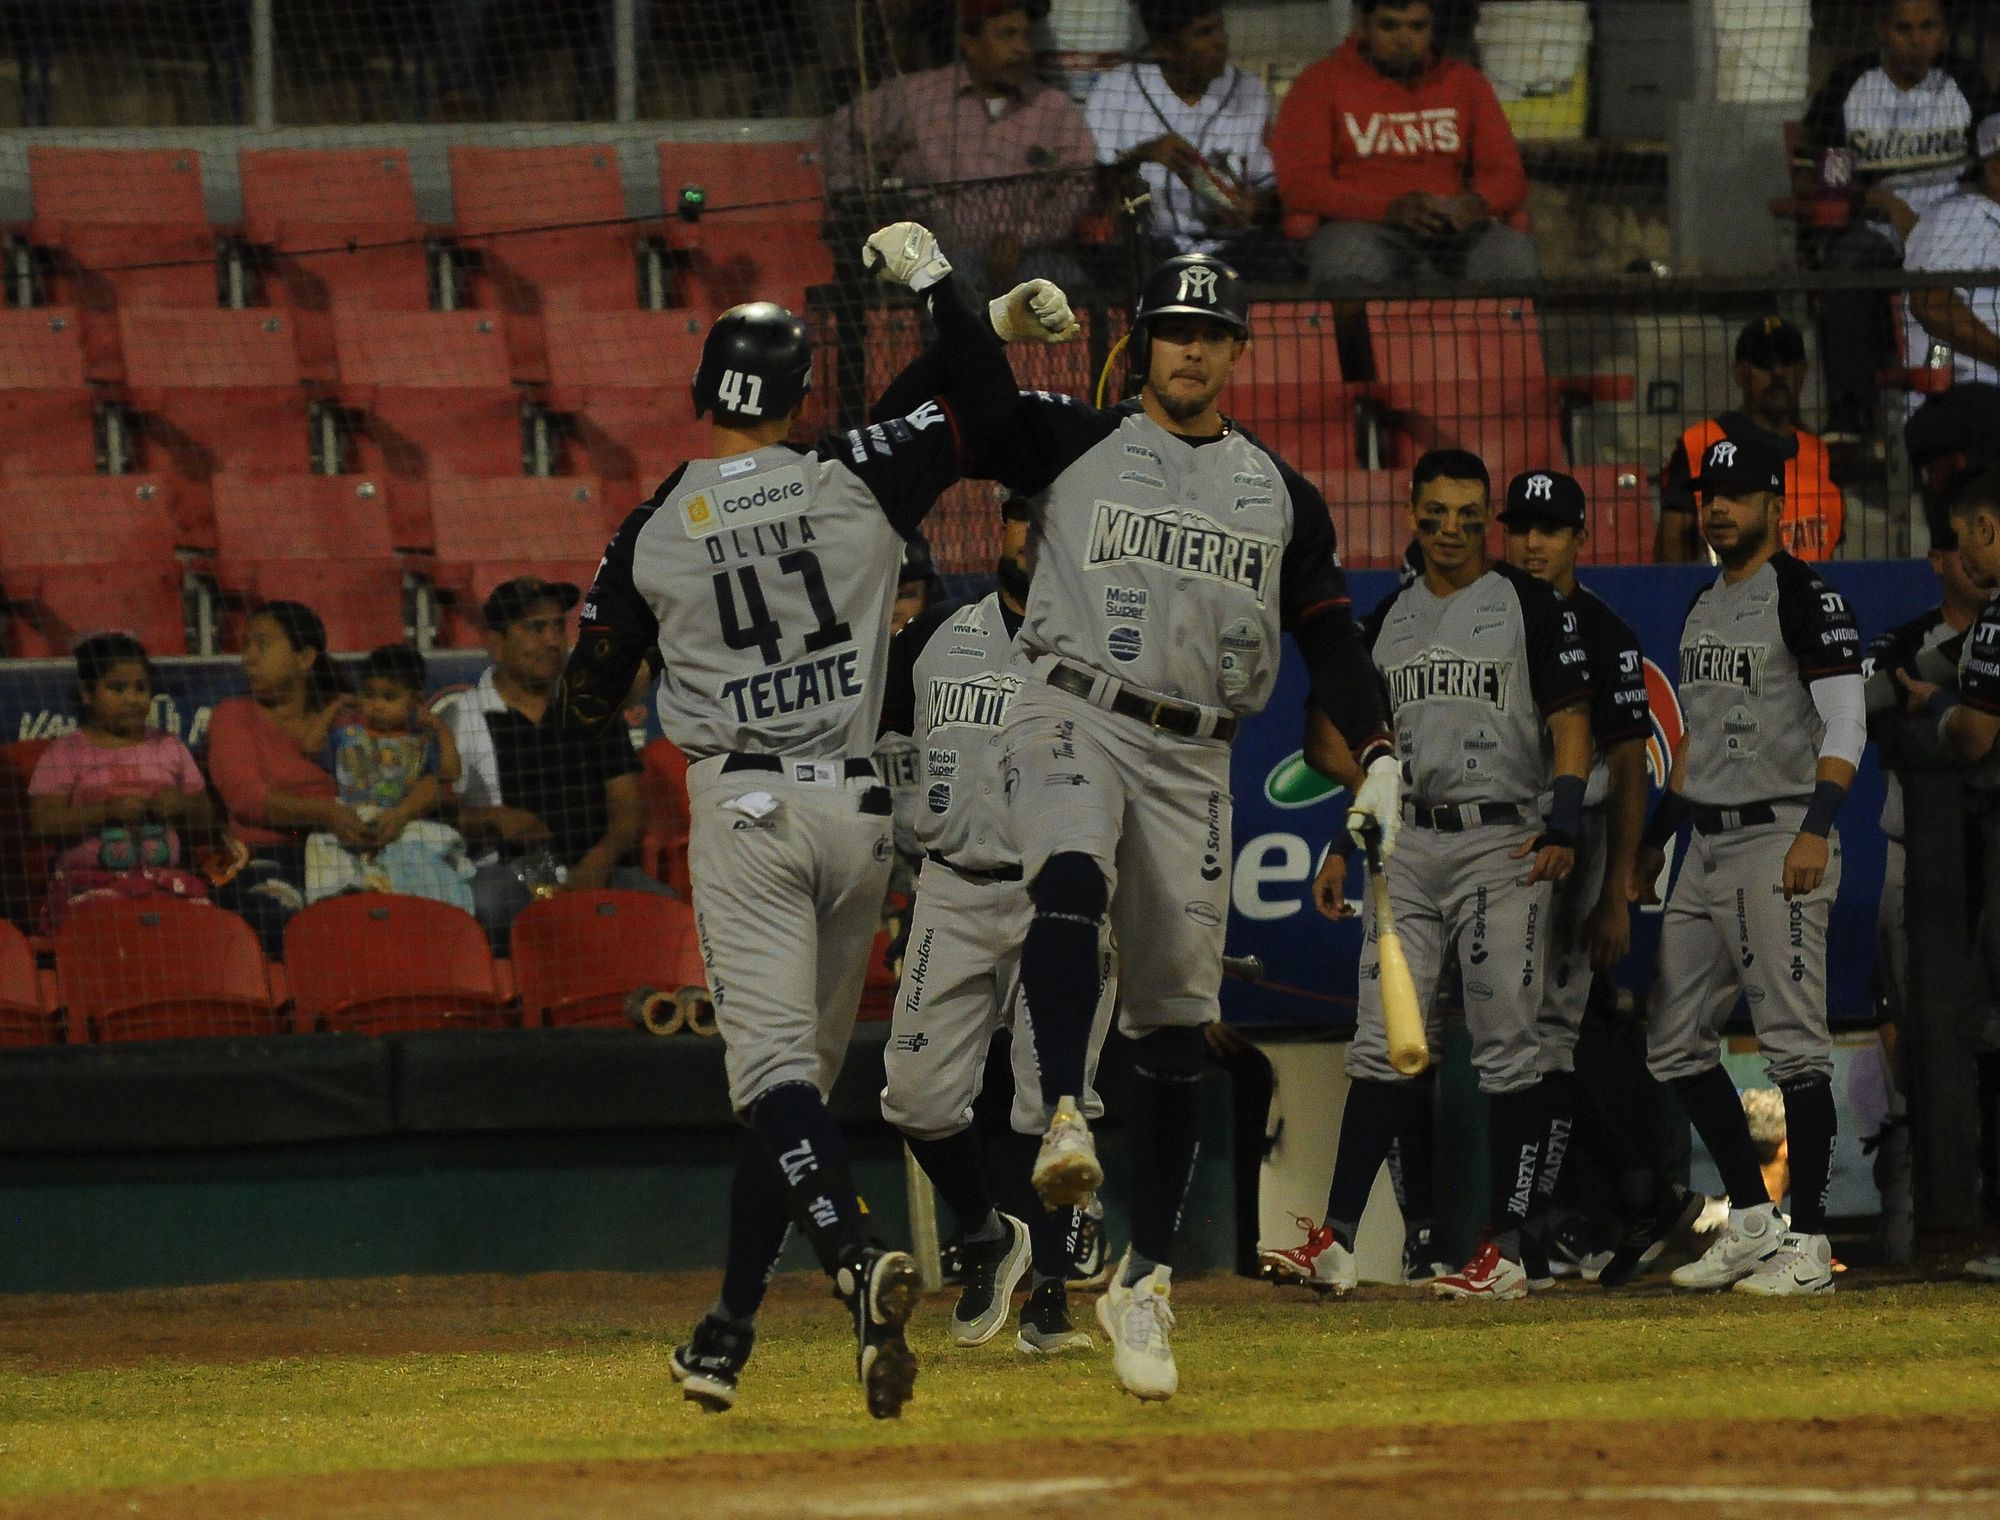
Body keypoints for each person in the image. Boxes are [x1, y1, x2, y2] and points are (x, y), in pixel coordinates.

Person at [549, 221, 1050, 1418]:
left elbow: (583, 694)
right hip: (860, 808)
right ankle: (724, 1329)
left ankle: (852, 1257)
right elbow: (962, 404)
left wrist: (649, 670)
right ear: (795, 398)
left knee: (772, 1082)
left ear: (700, 392)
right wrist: (964, 308)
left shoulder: (656, 519)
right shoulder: (850, 474)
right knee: (798, 1100)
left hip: (746, 803)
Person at [934, 249, 1399, 1399]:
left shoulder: (1279, 492)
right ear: (1138, 344)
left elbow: (1331, 634)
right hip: (1071, 704)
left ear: (1238, 349)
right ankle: (1054, 1120)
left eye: (1209, 332)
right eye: (1170, 329)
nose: (1188, 348)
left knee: (1177, 1028)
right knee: (1068, 873)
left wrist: (1379, 751)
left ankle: (1141, 1278)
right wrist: (952, 298)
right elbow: (972, 412)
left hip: (1196, 750)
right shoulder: (1073, 437)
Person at [1262, 450, 1591, 1305]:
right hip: (1408, 844)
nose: (1450, 527)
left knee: (1508, 1046)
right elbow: (1367, 755)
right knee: (1380, 1045)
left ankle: (1510, 1248)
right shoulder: (1390, 618)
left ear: (1488, 519)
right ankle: (1335, 1242)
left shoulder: (1526, 603)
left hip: (1502, 839)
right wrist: (1345, 841)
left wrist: (1563, 820)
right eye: (1435, 511)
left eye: (1466, 512)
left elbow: (1571, 721)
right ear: (1411, 512)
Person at [875, 492, 1115, 1356]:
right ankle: (987, 1234)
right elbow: (875, 738)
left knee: (1051, 1102)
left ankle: (1050, 1299)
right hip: (952, 884)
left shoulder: (1102, 644)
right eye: (1025, 521)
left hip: (1061, 889)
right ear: (1003, 533)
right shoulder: (934, 637)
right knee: (915, 1092)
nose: (1036, 538)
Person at [1630, 429, 1865, 1297]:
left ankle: (1809, 1246)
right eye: (1708, 495)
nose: (1719, 507)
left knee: (1796, 1050)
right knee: (1674, 1041)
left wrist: (1818, 827)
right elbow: (1693, 740)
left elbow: (1847, 722)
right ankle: (1753, 1220)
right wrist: (1657, 835)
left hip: (1781, 835)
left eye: (1735, 494)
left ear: (1775, 503)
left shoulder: (1804, 596)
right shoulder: (1703, 603)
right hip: (1706, 842)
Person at [1496, 470, 1660, 1287]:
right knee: (1508, 1035)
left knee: (1552, 1036)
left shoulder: (1602, 630)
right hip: (1494, 839)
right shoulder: (1484, 612)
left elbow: (1629, 767)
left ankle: (1541, 1216)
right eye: (1521, 526)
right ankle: (1552, 1214)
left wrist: (1615, 889)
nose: (1532, 543)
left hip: (1577, 842)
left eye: (1550, 529)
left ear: (1579, 537)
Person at [1892, 468, 2000, 1284]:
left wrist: (1931, 701)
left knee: (1991, 1026)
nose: (1964, 556)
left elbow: (1973, 739)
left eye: (1966, 537)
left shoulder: (1996, 620)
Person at [1797, 0, 1993, 446]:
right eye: (1904, 28)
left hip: (1958, 222)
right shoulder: (1851, 84)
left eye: (1928, 27)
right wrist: (1881, 201)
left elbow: (1993, 164)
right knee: (1850, 265)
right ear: (1883, 28)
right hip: (1882, 224)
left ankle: (1971, 396)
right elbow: (1822, 176)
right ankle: (1851, 413)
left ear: (1943, 31)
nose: (1916, 39)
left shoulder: (1964, 82)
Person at [449, 576, 667, 952]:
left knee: (668, 911)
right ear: (496, 644)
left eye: (557, 626)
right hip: (507, 875)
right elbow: (437, 814)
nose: (552, 641)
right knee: (488, 904)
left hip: (602, 869)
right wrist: (491, 819)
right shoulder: (462, 717)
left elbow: (628, 805)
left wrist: (597, 864)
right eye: (535, 628)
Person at [820, 0, 1096, 292]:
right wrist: (861, 203)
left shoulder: (1054, 109)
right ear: (969, 42)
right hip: (932, 256)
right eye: (1007, 36)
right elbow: (839, 131)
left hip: (1028, 258)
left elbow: (1076, 187)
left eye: (1026, 36)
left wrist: (1022, 238)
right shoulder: (918, 96)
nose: (1022, 49)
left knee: (1069, 282)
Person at [1270, 0, 1537, 287]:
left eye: (1417, 27)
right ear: (1363, 27)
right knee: (1348, 260)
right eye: (1389, 26)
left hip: (1453, 232)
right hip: (1362, 227)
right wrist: (1389, 209)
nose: (1404, 39)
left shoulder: (1466, 82)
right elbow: (1301, 187)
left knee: (1510, 255)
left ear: (1431, 27)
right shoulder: (1318, 84)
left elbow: (1509, 175)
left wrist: (1478, 203)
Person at [1084, 0, 1291, 278]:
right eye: (1204, 33)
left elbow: (1271, 188)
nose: (1221, 42)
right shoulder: (1116, 90)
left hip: (1232, 249)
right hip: (1147, 247)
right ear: (1164, 50)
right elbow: (1089, 186)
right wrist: (1139, 155)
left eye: (1220, 29)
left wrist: (1253, 206)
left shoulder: (1248, 90)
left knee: (1277, 256)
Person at [28, 633, 217, 928]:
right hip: (88, 884)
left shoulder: (170, 746)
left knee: (198, 926)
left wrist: (179, 805)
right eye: (117, 688)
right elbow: (42, 824)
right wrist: (104, 813)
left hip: (164, 882)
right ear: (88, 694)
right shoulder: (67, 751)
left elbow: (208, 820)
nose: (132, 698)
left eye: (141, 687)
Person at [206, 602, 360, 952]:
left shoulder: (342, 719)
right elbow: (248, 799)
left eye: (262, 644)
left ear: (305, 658)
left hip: (346, 852)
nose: (249, 657)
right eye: (246, 646)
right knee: (273, 913)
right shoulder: (234, 716)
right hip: (266, 857)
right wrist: (328, 812)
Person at [1657, 318, 1845, 563]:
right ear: (1740, 372)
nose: (1777, 373)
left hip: (1805, 599)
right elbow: (1672, 551)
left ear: (1802, 371)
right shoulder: (1701, 444)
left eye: (1786, 361)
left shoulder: (1818, 454)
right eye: (1763, 363)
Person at [308, 645, 473, 910]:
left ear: (416, 701)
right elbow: (310, 745)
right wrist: (335, 708)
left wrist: (440, 729)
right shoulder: (348, 737)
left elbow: (449, 773)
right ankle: (344, 894)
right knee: (323, 849)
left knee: (427, 849)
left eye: (389, 697)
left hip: (402, 826)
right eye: (369, 695)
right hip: (353, 825)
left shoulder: (420, 742)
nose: (376, 706)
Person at [1902, 115, 2000, 482]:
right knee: (1989, 410)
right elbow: (1931, 303)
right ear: (1993, 170)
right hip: (1950, 393)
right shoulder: (1955, 218)